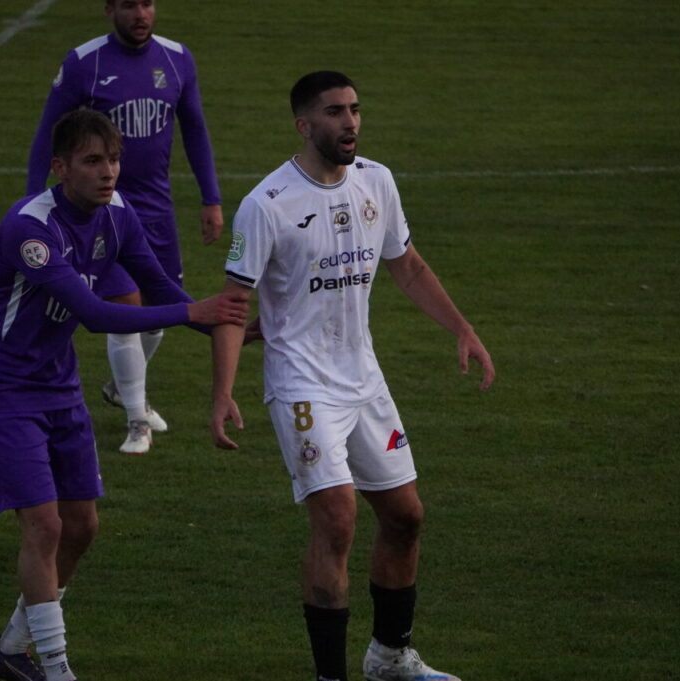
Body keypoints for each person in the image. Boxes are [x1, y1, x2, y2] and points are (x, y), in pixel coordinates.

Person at [210, 71, 496, 681]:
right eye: (335, 112)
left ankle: (390, 658)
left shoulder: (377, 181)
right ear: (303, 125)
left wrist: (462, 329)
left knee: (406, 516)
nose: (351, 122)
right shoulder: (266, 206)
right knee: (338, 517)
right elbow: (235, 305)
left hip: (364, 379)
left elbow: (409, 266)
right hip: (301, 385)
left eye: (355, 109)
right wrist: (223, 392)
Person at [0, 109, 247, 681]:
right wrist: (198, 311)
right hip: (3, 388)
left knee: (83, 526)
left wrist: (232, 325)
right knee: (44, 525)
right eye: (94, 161)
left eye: (114, 159)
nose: (109, 172)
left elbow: (161, 285)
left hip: (57, 382)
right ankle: (55, 665)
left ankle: (13, 647)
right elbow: (96, 314)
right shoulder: (30, 228)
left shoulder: (118, 214)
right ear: (60, 167)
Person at [27, 0, 224, 454]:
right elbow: (47, 133)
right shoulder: (84, 63)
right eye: (130, 4)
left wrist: (211, 198)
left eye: (148, 3)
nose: (141, 14)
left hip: (155, 214)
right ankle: (138, 421)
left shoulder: (177, 59)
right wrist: (32, 197)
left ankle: (121, 389)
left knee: (158, 309)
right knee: (125, 308)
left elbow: (195, 128)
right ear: (109, 8)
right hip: (100, 215)